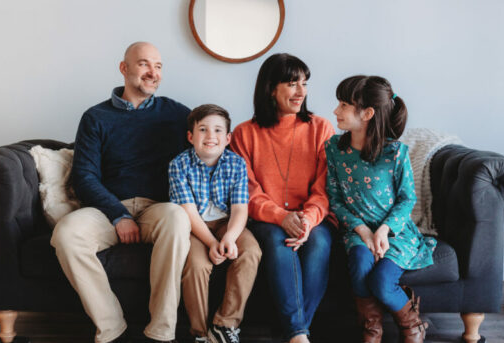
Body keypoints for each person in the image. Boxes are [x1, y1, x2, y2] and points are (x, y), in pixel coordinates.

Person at [50, 42, 191, 343]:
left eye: (158, 66)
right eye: (143, 64)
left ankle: (161, 332)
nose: (153, 72)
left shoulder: (179, 115)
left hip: (159, 208)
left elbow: (210, 151)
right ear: (123, 68)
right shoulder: (95, 117)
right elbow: (84, 175)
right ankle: (112, 328)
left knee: (178, 219)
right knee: (67, 234)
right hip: (107, 208)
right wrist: (118, 214)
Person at [230, 53, 337, 343]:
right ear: (270, 89)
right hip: (267, 219)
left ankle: (296, 332)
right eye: (292, 84)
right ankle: (298, 333)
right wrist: (281, 216)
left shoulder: (321, 128)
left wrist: (307, 220)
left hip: (311, 217)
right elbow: (247, 192)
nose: (301, 92)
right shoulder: (244, 133)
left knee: (319, 242)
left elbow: (325, 186)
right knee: (279, 245)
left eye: (304, 83)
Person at [325, 75, 437, 343]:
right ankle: (371, 331)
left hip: (396, 233)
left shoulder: (395, 153)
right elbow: (335, 198)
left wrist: (384, 230)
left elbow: (407, 199)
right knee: (361, 266)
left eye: (343, 104)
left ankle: (413, 327)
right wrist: (363, 231)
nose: (335, 111)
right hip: (356, 231)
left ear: (367, 113)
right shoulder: (333, 149)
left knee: (382, 282)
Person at [168, 104, 262, 343]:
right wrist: (211, 243)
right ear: (191, 136)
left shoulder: (236, 164)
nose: (211, 136)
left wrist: (229, 237)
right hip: (195, 225)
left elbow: (240, 208)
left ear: (228, 138)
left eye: (218, 130)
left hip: (227, 223)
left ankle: (225, 324)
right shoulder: (178, 165)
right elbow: (188, 212)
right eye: (203, 129)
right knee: (197, 265)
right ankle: (199, 332)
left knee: (251, 251)